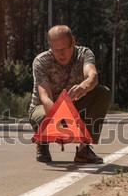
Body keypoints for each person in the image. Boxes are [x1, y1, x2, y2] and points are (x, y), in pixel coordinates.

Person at [29, 25, 111, 164]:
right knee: (43, 116)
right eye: (56, 50)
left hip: (73, 104)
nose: (60, 54)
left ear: (73, 42)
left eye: (64, 49)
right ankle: (43, 142)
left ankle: (83, 150)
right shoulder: (41, 61)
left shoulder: (84, 54)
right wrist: (58, 121)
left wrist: (84, 86)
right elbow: (45, 96)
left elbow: (93, 76)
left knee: (102, 93)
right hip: (44, 108)